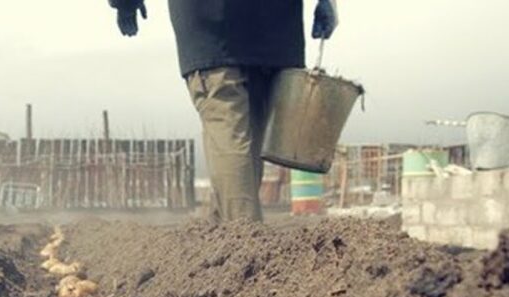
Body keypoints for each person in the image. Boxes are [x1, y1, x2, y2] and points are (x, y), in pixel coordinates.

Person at [108, 0, 338, 222]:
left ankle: (246, 242)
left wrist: (125, 3)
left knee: (229, 132)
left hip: (214, 28)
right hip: (274, 26)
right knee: (249, 144)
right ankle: (225, 240)